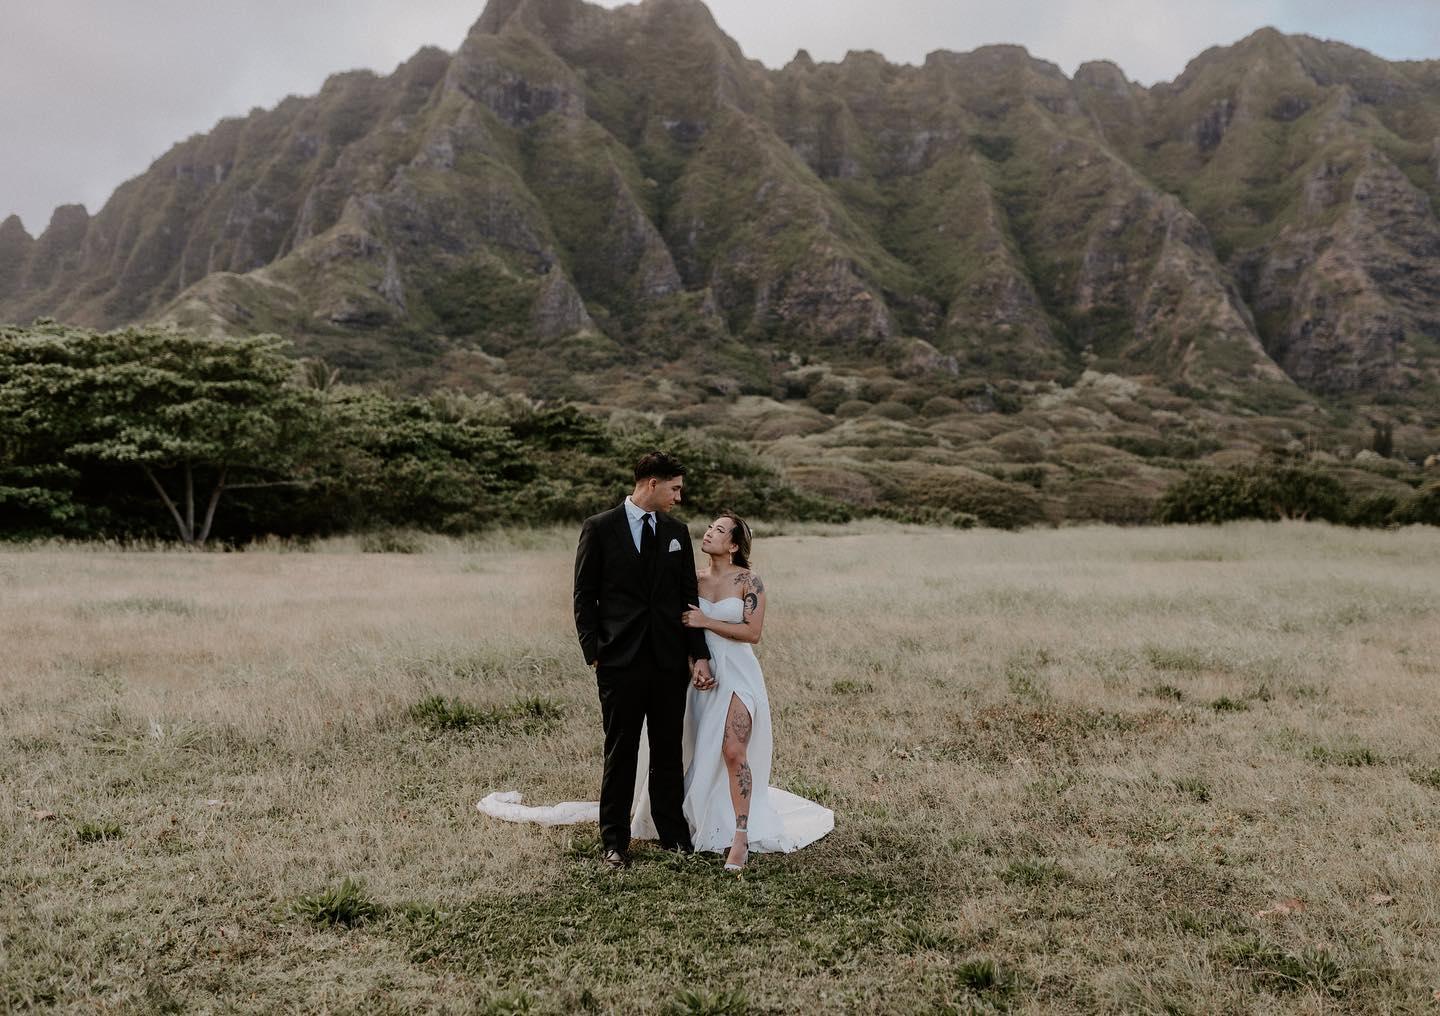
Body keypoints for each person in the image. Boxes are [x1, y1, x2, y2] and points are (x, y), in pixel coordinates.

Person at [633, 511, 834, 870]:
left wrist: (707, 620)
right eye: (711, 527)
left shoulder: (748, 581)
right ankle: (693, 816)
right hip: (702, 675)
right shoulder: (692, 579)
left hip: (739, 674)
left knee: (732, 750)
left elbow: (752, 633)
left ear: (734, 545)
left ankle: (740, 837)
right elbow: (680, 629)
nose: (710, 532)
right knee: (695, 749)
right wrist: (694, 662)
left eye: (720, 530)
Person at [572, 451, 714, 869]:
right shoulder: (600, 528)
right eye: (675, 488)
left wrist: (698, 654)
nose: (679, 497)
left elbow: (688, 598)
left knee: (668, 750)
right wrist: (594, 653)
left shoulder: (676, 531)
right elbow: (584, 595)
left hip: (668, 661)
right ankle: (615, 841)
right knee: (621, 750)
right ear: (652, 483)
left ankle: (673, 835)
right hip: (619, 661)